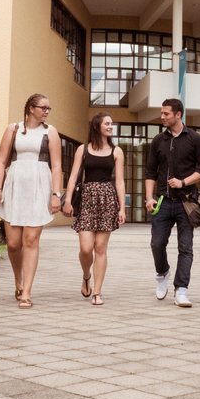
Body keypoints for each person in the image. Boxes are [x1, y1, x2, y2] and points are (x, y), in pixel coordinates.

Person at [0, 93, 63, 308]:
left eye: (49, 108)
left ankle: (27, 292)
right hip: (14, 185)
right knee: (13, 244)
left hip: (39, 186)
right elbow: (2, 160)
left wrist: (56, 194)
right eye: (43, 108)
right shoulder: (12, 129)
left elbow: (57, 165)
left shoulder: (51, 132)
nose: (47, 111)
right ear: (31, 108)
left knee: (30, 240)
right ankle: (18, 280)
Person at [144, 98, 200, 308]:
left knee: (186, 248)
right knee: (157, 243)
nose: (162, 117)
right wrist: (149, 198)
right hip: (162, 201)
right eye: (162, 113)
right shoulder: (158, 140)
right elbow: (150, 172)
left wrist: (183, 181)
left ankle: (181, 290)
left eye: (166, 113)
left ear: (178, 114)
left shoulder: (195, 139)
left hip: (186, 202)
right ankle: (162, 272)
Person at [63, 112, 126, 306]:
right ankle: (85, 275)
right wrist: (67, 201)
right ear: (97, 126)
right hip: (87, 199)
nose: (110, 126)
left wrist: (122, 208)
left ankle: (97, 292)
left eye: (111, 123)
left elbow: (120, 181)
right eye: (107, 123)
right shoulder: (83, 149)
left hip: (107, 199)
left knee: (100, 248)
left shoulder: (117, 151)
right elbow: (73, 177)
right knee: (85, 248)